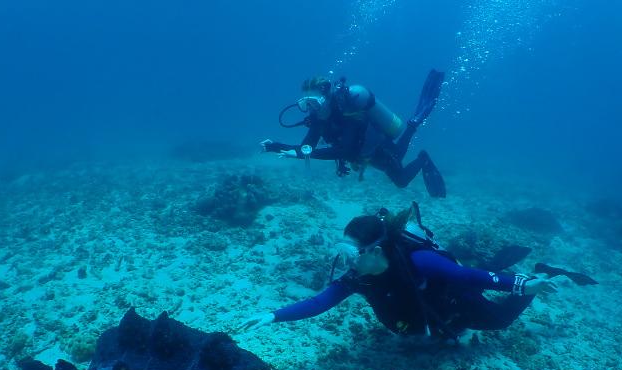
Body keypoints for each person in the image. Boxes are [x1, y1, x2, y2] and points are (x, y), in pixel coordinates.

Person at [240, 205, 560, 340]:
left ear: (375, 251)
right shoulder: (359, 276)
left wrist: (523, 285)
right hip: (424, 317)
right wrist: (273, 316)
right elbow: (319, 303)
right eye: (342, 252)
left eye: (351, 253)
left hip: (457, 301)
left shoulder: (420, 262)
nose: (347, 262)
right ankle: (507, 265)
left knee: (502, 321)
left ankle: (539, 272)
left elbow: (469, 277)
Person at [260, 71, 447, 198]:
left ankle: (422, 154)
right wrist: (274, 146)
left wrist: (302, 153)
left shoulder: (349, 115)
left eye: (313, 101)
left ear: (325, 98)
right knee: (398, 161)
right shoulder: (318, 119)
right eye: (305, 103)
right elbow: (306, 148)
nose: (310, 108)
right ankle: (413, 126)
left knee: (401, 179)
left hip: (378, 149)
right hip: (362, 154)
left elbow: (344, 150)